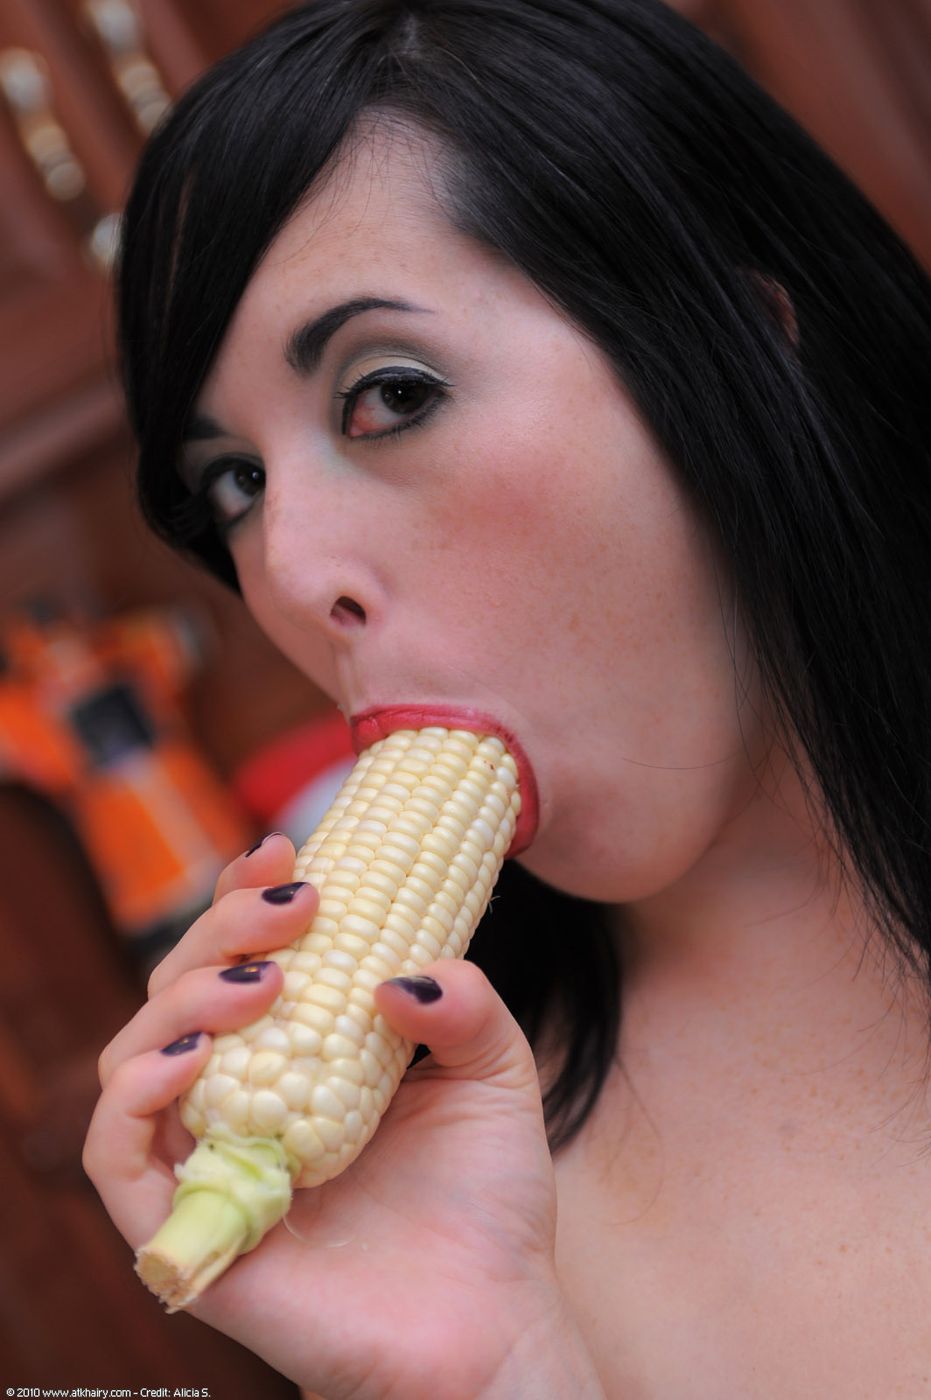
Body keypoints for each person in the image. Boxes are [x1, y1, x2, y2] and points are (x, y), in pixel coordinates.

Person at [83, 0, 931, 1393]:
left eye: (389, 394)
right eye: (233, 483)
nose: (288, 571)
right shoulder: (458, 1205)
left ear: (739, 344)